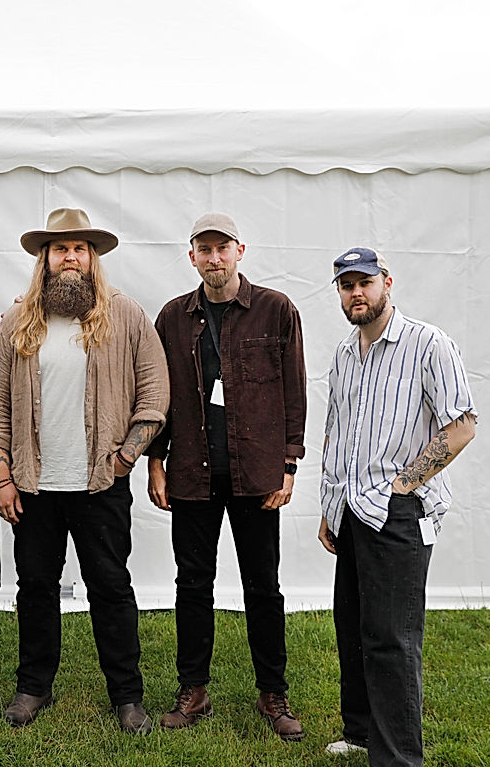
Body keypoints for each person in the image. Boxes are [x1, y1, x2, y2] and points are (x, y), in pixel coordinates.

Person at [0, 207, 169, 735]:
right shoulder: (18, 321)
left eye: (79, 248)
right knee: (36, 587)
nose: (70, 256)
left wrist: (127, 455)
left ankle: (127, 696)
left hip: (100, 484)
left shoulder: (126, 314)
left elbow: (155, 395)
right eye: (59, 248)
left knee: (111, 586)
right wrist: (1, 476)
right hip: (34, 485)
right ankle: (33, 686)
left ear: (93, 258)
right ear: (45, 258)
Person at [146, 212, 308, 740]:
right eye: (204, 250)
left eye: (223, 248)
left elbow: (294, 393)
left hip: (257, 476)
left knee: (264, 586)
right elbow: (158, 397)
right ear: (191, 256)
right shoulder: (172, 318)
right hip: (192, 473)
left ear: (241, 250)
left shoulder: (276, 310)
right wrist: (155, 461)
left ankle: (272, 694)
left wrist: (288, 466)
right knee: (192, 586)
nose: (214, 259)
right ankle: (193, 691)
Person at [319, 247, 476, 764]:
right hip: (352, 510)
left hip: (398, 514)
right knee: (354, 630)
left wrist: (403, 487)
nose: (356, 292)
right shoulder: (344, 354)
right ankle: (360, 733)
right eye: (346, 285)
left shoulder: (428, 343)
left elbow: (461, 425)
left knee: (391, 639)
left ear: (387, 282)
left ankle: (398, 757)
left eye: (364, 282)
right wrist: (329, 506)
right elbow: (338, 433)